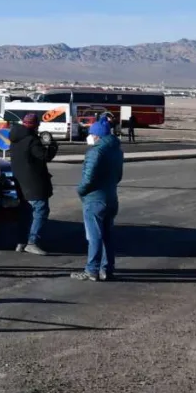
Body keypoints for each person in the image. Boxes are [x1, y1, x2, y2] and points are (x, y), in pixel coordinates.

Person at [73, 120, 124, 281]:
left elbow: (88, 178)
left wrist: (80, 190)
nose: (89, 137)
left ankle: (92, 269)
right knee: (107, 235)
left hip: (95, 199)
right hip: (111, 197)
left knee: (94, 236)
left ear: (97, 136)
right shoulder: (117, 150)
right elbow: (118, 176)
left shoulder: (96, 152)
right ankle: (106, 269)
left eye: (91, 134)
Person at [9, 113, 59, 255]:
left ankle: (21, 241)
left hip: (20, 180)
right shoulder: (32, 140)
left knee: (25, 212)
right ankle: (32, 241)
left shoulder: (15, 138)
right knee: (40, 211)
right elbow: (44, 156)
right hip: (34, 182)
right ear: (35, 125)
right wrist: (52, 147)